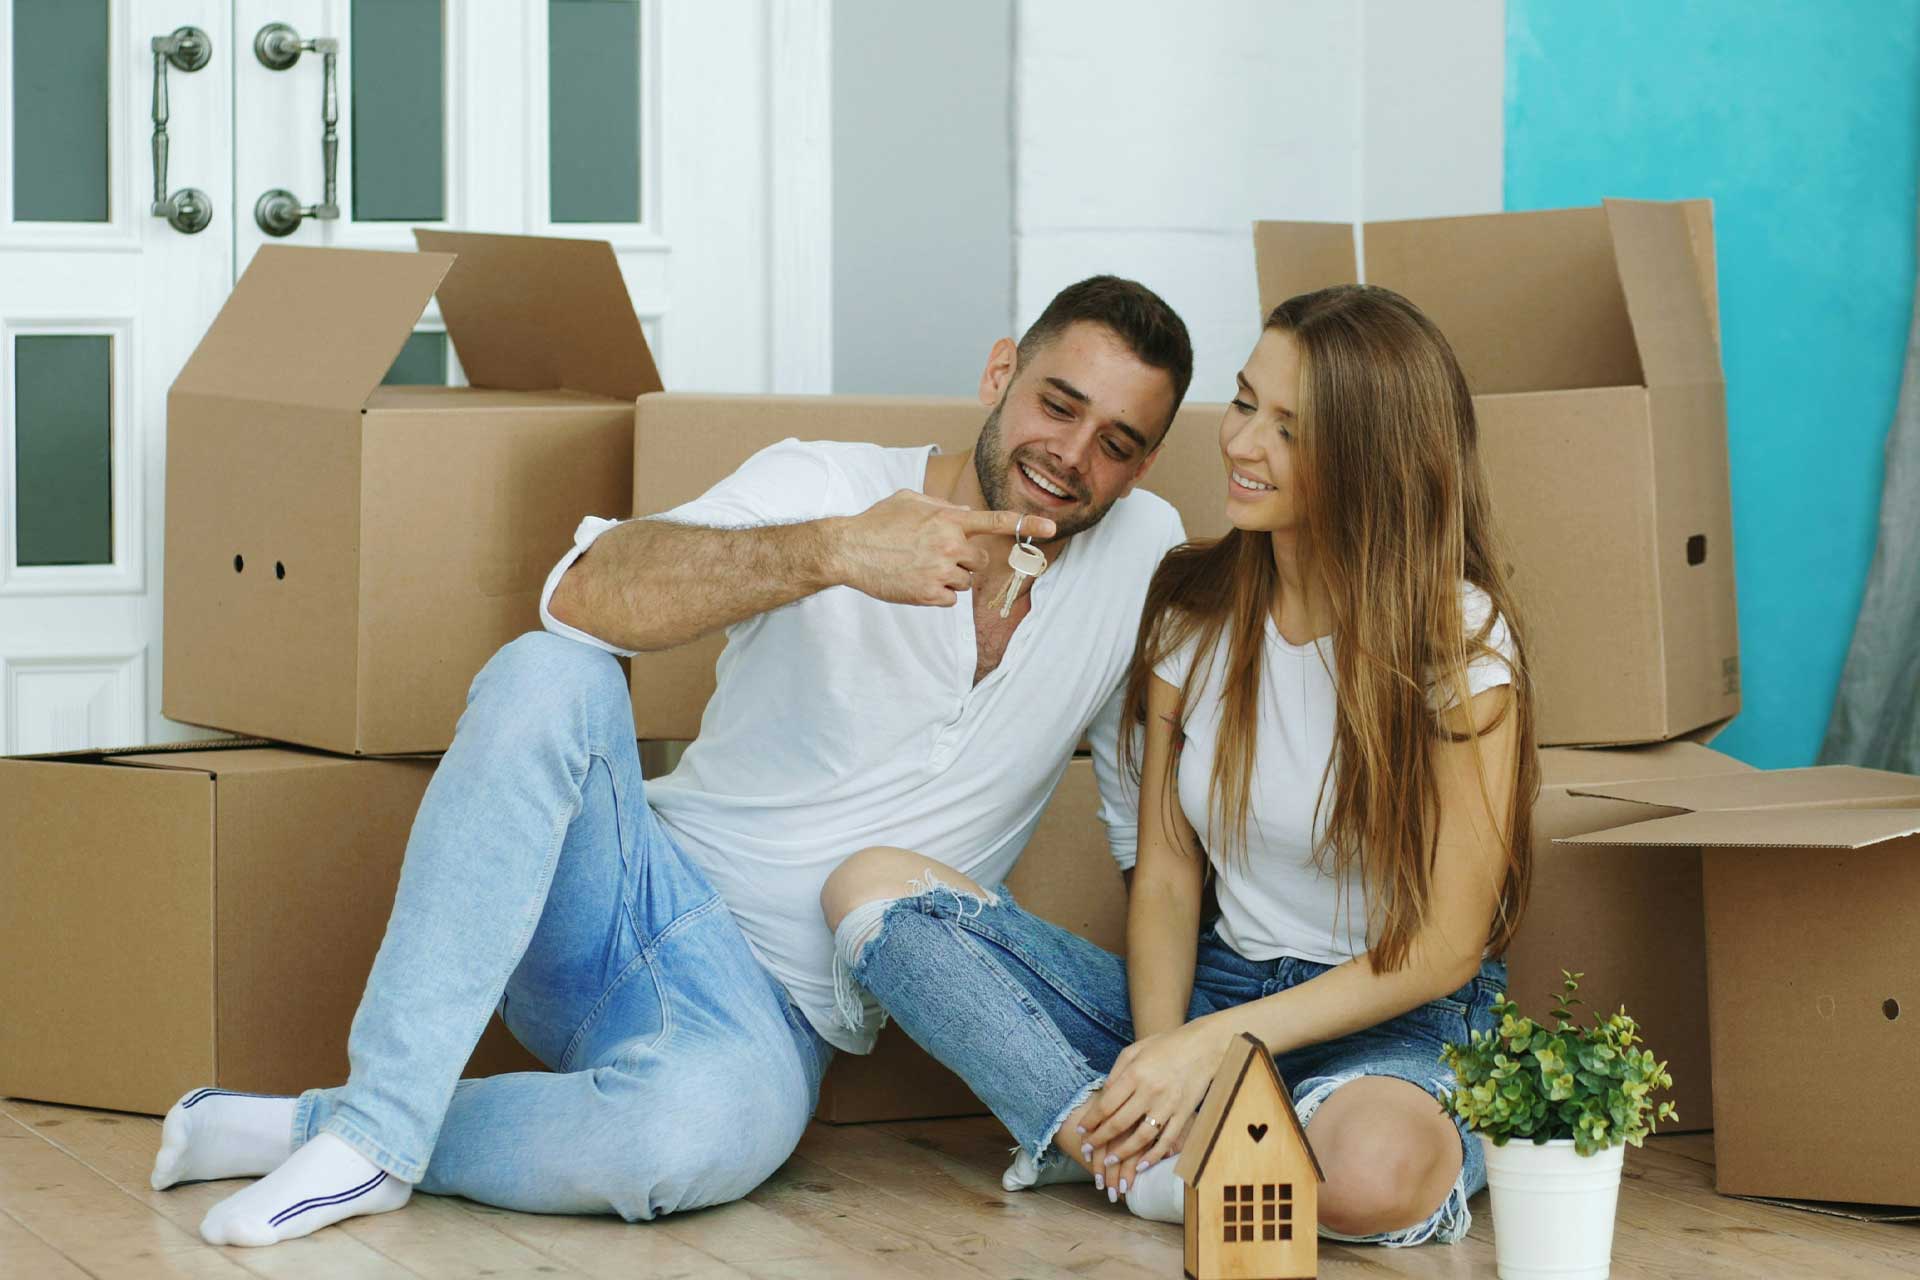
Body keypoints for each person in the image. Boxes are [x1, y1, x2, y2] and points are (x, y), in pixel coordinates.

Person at [147, 276, 1193, 1247]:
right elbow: (584, 591)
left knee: (680, 1145)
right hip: (625, 895)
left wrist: (1165, 1054)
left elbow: (1145, 826)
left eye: (1116, 441)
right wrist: (832, 551)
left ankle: (296, 1128)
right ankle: (374, 1127)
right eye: (1057, 405)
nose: (1072, 454)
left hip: (771, 1018)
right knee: (550, 672)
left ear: (1143, 464)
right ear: (999, 373)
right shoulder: (825, 479)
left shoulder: (1144, 555)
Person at [824, 283, 1537, 1247]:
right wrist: (1167, 1051)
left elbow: (1447, 945)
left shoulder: (1458, 639)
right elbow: (1165, 874)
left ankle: (1135, 1158)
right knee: (874, 891)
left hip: (1397, 1022)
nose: (1242, 445)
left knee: (1371, 1172)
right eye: (1246, 403)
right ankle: (1177, 1161)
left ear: (1372, 459)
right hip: (1214, 990)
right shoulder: (1192, 610)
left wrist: (1217, 1050)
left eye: (1290, 429)